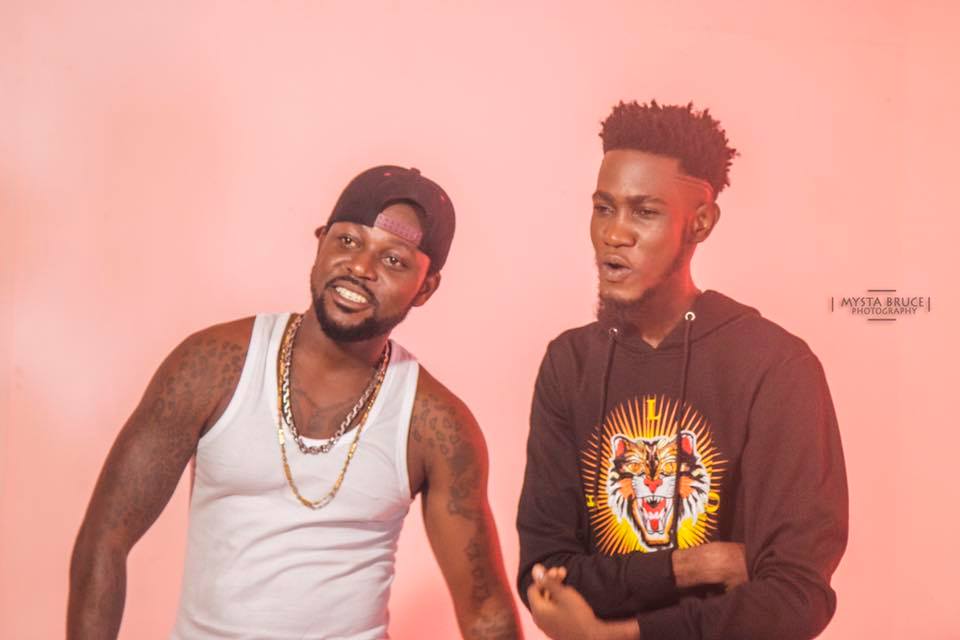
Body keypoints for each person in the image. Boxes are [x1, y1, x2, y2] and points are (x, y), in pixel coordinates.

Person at [68, 166, 521, 640]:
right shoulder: (212, 366)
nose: (361, 267)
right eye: (348, 241)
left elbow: (485, 611)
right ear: (321, 241)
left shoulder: (436, 425)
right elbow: (105, 539)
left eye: (394, 260)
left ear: (425, 287)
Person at [516, 101, 848, 640]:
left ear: (700, 222)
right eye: (603, 208)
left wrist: (618, 635)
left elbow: (796, 596)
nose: (614, 234)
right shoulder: (569, 363)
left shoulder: (774, 365)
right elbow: (545, 575)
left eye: (644, 212)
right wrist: (695, 565)